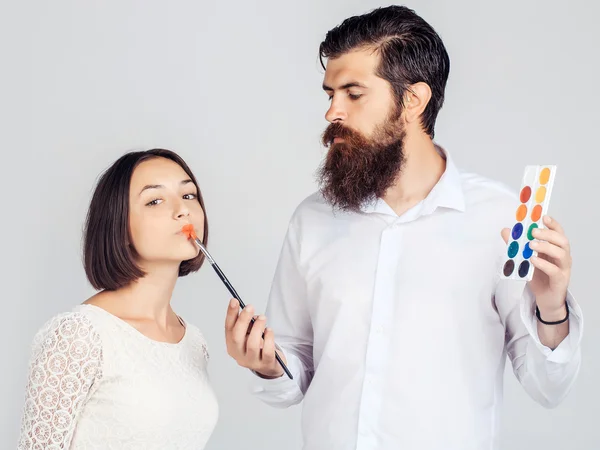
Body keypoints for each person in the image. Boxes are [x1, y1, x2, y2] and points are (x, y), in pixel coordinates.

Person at [225, 5, 583, 449]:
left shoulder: (501, 218)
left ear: (413, 100)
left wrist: (551, 307)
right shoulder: (312, 220)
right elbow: (294, 370)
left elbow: (549, 387)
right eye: (329, 93)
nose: (332, 112)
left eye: (353, 94)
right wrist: (264, 364)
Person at [18, 149, 219, 449]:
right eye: (154, 200)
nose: (183, 210)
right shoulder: (78, 336)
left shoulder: (194, 342)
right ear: (120, 227)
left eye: (189, 195)